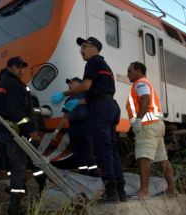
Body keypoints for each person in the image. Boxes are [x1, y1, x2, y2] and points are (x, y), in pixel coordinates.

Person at [51, 37, 127, 203]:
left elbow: (85, 86)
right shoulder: (105, 66)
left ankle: (110, 192)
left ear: (94, 48)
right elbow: (96, 93)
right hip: (111, 106)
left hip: (101, 109)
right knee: (112, 149)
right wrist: (77, 101)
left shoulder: (93, 62)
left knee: (102, 150)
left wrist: (64, 94)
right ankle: (120, 191)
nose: (81, 51)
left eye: (84, 47)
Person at [0, 56, 41, 215]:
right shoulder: (14, 84)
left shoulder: (0, 84)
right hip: (11, 131)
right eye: (17, 67)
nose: (21, 70)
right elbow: (17, 111)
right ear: (10, 68)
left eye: (22, 67)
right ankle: (14, 207)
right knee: (18, 167)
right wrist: (31, 130)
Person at [125, 61, 175, 199]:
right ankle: (171, 189)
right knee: (162, 158)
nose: (127, 74)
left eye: (130, 71)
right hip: (157, 125)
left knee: (143, 157)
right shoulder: (146, 83)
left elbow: (145, 100)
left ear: (139, 71)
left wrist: (139, 120)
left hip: (148, 125)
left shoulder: (140, 83)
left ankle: (144, 192)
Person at [52, 77, 97, 176]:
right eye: (69, 84)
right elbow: (64, 118)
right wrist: (56, 131)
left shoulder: (87, 95)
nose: (69, 85)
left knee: (88, 151)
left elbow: (95, 104)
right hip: (73, 128)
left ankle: (94, 173)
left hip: (85, 126)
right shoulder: (68, 99)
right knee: (77, 153)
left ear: (79, 84)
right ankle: (83, 172)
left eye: (72, 83)